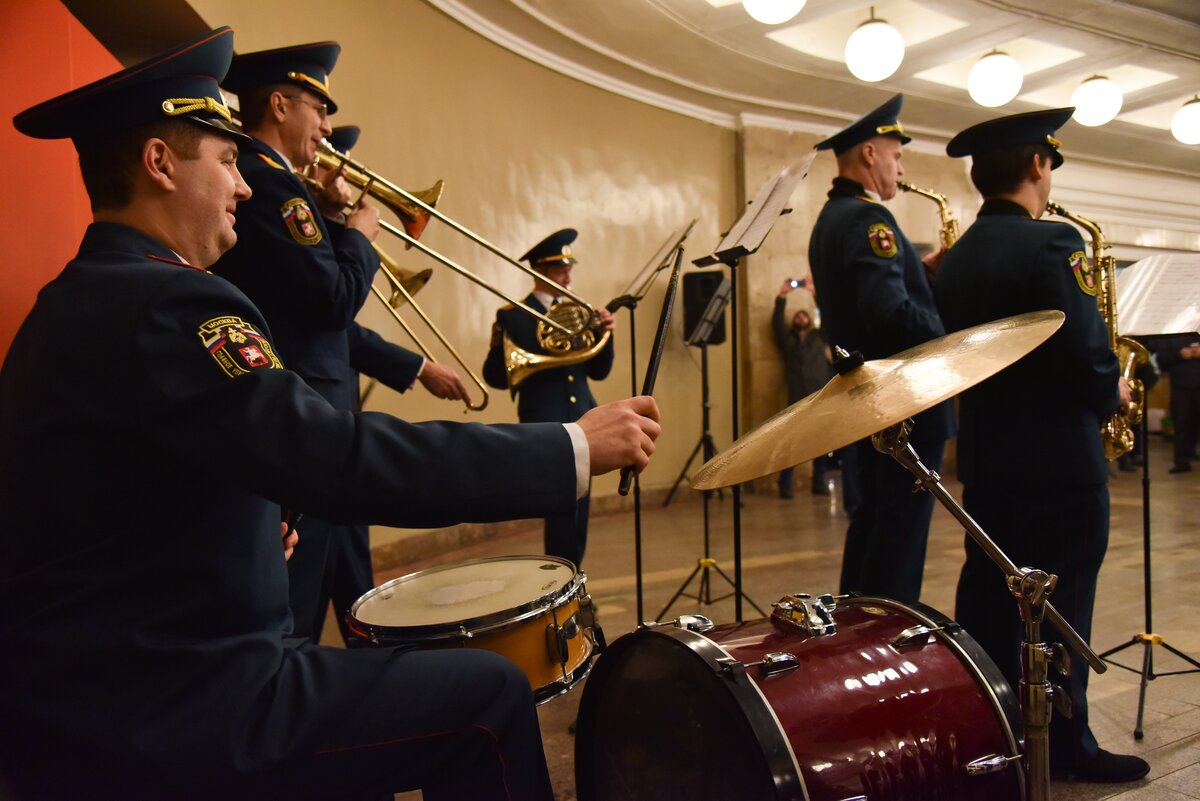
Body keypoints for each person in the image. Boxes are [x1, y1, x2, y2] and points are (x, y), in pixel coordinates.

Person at [0, 28, 660, 801]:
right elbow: (339, 456)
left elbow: (118, 506)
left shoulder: (82, 296)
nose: (244, 187)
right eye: (226, 161)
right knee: (490, 695)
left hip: (112, 680)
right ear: (159, 163)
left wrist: (238, 526)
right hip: (174, 697)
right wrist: (570, 447)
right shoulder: (168, 303)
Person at [210, 44, 470, 643]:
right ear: (280, 105)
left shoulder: (280, 186)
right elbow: (333, 303)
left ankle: (361, 672)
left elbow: (316, 316)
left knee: (346, 585)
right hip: (310, 415)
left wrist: (333, 225)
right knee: (301, 602)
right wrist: (358, 235)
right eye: (319, 108)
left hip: (323, 411)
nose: (327, 127)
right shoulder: (273, 186)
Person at [934, 108, 1148, 783]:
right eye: (1049, 164)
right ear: (1037, 165)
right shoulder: (1055, 242)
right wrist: (1114, 390)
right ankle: (1066, 744)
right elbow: (1083, 353)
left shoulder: (957, 257)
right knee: (1062, 606)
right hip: (1060, 465)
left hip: (989, 464)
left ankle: (993, 734)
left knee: (991, 602)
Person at [807, 94, 953, 604]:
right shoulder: (870, 220)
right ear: (869, 153)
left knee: (871, 521)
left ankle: (856, 628)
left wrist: (922, 272)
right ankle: (886, 634)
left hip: (867, 401)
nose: (900, 167)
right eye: (896, 155)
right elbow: (888, 312)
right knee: (899, 535)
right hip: (903, 402)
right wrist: (952, 333)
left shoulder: (832, 217)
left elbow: (865, 302)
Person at [482, 229, 616, 569]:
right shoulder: (513, 315)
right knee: (561, 511)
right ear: (539, 271)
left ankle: (572, 579)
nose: (568, 277)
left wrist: (605, 334)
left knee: (579, 509)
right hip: (545, 423)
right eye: (560, 270)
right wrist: (499, 348)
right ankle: (563, 579)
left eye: (569, 269)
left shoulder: (579, 311)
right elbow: (495, 377)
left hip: (583, 420)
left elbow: (599, 371)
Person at [772, 278, 833, 498]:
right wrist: (782, 296)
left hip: (819, 395)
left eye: (803, 315)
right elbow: (777, 324)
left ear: (809, 319)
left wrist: (814, 293)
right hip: (797, 398)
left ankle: (819, 482)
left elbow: (828, 318)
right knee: (791, 443)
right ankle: (785, 484)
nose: (800, 318)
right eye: (797, 316)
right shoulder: (787, 341)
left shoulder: (819, 337)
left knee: (821, 443)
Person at [1154, 335, 1200, 473]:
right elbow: (1161, 358)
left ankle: (1191, 451)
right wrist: (1179, 354)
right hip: (1180, 385)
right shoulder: (1173, 334)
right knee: (1181, 422)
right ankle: (1181, 461)